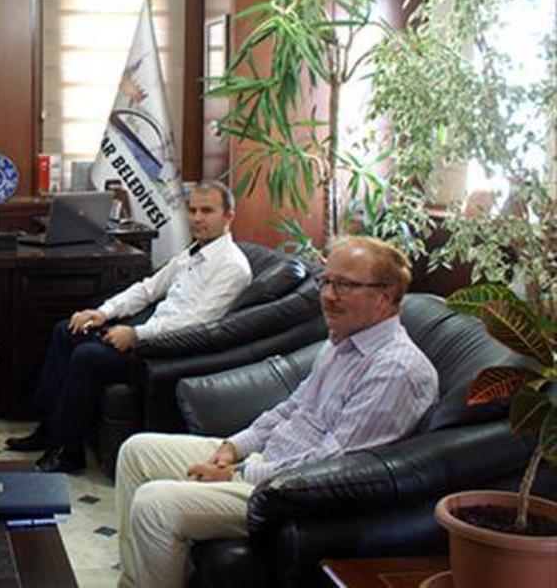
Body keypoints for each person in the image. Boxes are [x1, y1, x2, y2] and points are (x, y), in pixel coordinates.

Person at [114, 236, 438, 588]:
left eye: (344, 285)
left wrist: (238, 474)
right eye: (326, 281)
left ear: (385, 296)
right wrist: (234, 446)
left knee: (155, 504)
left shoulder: (395, 370)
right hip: (268, 462)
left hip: (289, 493)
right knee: (137, 451)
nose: (328, 295)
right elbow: (292, 407)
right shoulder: (342, 341)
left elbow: (333, 465)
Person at [5, 180, 252, 473]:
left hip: (170, 352)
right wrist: (102, 312)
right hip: (150, 334)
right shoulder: (193, 252)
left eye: (207, 211)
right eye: (193, 210)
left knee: (87, 356)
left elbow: (195, 323)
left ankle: (68, 452)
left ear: (228, 216)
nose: (197, 218)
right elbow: (148, 289)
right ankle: (50, 428)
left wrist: (136, 335)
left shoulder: (232, 266)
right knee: (66, 330)